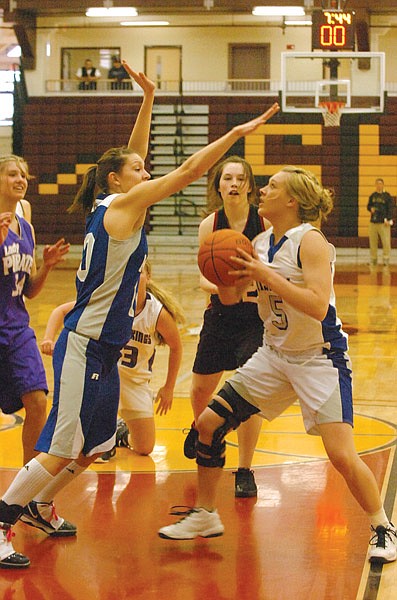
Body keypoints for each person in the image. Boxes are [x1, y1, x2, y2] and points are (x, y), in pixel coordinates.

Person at [0, 59, 279, 568]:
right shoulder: (121, 210)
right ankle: (2, 521)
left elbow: (136, 154)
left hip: (105, 349)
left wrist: (148, 98)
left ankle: (39, 505)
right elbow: (191, 171)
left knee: (96, 446)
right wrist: (235, 133)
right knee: (63, 447)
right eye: (138, 170)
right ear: (117, 179)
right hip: (84, 342)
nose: (146, 172)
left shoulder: (116, 202)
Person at [158, 166, 397, 566]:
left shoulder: (312, 242)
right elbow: (234, 301)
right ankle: (205, 514)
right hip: (274, 354)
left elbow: (318, 305)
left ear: (292, 201)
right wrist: (224, 276)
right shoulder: (260, 242)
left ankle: (382, 527)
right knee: (207, 423)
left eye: (271, 187)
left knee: (340, 454)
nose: (262, 191)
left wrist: (264, 274)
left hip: (319, 358)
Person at [183, 155, 268, 498]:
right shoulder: (210, 225)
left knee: (250, 395)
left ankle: (245, 469)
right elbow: (204, 278)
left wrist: (248, 287)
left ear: (249, 185)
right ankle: (200, 427)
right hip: (219, 314)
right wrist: (227, 285)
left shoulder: (263, 224)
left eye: (239, 178)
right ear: (218, 185)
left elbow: (267, 274)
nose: (233, 184)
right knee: (199, 390)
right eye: (227, 178)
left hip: (254, 318)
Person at [40, 260, 185, 459]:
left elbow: (176, 347)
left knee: (145, 448)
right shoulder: (110, 301)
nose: (135, 278)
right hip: (104, 378)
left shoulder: (157, 313)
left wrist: (168, 387)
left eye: (140, 273)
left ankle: (120, 433)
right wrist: (48, 338)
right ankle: (99, 435)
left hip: (136, 384)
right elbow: (61, 311)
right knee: (96, 452)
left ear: (148, 277)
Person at [0, 154, 70, 467]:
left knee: (38, 402)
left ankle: (27, 488)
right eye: (13, 174)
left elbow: (29, 290)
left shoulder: (25, 225)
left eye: (24, 175)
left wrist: (47, 266)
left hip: (16, 328)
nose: (21, 180)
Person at [367, 178, 394, 267]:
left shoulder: (387, 196)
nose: (379, 185)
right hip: (373, 222)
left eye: (380, 184)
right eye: (377, 184)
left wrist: (388, 219)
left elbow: (390, 209)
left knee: (386, 242)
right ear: (375, 185)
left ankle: (386, 259)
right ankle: (373, 259)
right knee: (373, 242)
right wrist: (370, 209)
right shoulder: (373, 196)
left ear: (383, 185)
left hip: (383, 223)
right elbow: (368, 206)